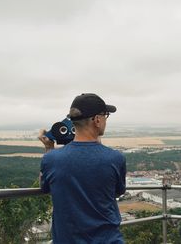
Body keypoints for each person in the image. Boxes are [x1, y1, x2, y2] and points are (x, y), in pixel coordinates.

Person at [39, 93, 126, 244]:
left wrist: (49, 148)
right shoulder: (115, 158)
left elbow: (45, 187)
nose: (106, 120)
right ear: (97, 120)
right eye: (105, 115)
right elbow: (117, 191)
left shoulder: (51, 159)